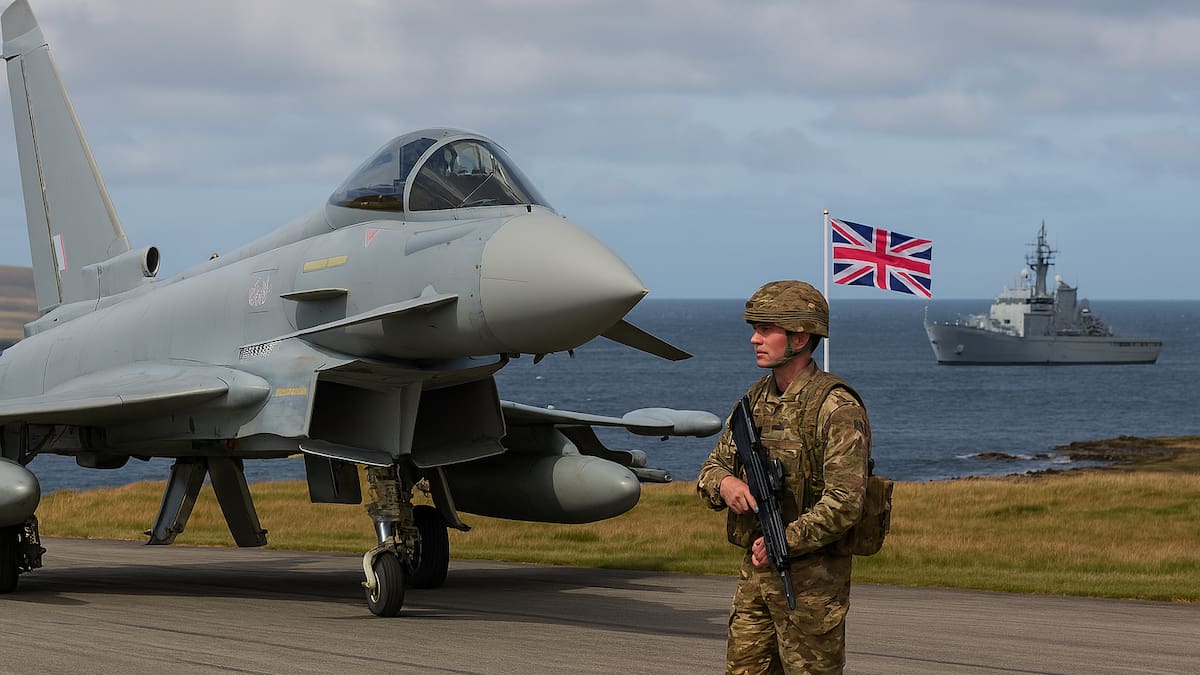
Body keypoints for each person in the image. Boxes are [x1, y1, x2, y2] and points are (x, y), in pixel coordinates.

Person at [697, 280, 871, 674]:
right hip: (756, 582)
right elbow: (711, 468)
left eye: (765, 330)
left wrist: (783, 542)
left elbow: (846, 502)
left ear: (799, 337)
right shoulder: (755, 401)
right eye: (754, 329)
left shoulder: (836, 407)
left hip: (810, 590)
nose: (754, 340)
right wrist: (727, 484)